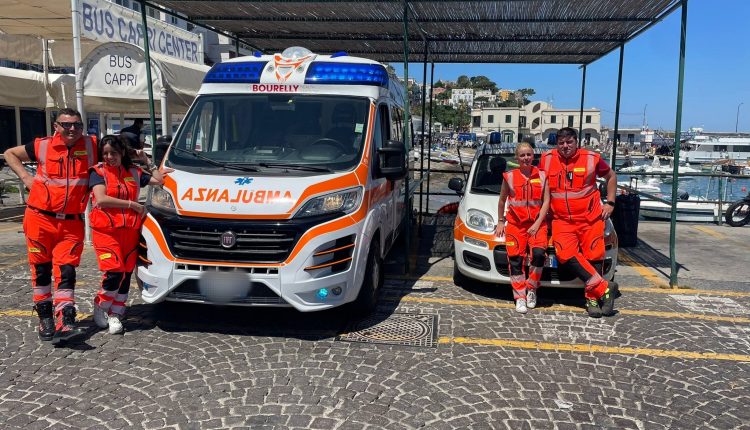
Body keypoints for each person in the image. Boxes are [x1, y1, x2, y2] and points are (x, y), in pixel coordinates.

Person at [3, 108, 97, 344]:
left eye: (77, 125)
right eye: (66, 125)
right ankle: (45, 317)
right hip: (40, 218)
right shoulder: (42, 145)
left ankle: (65, 318)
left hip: (72, 222)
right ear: (56, 126)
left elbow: (122, 154)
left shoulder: (91, 146)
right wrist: (26, 178)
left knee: (66, 271)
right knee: (41, 269)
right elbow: (10, 153)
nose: (72, 129)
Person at [89, 135, 170, 334]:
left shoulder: (133, 172)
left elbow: (158, 180)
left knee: (125, 274)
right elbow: (101, 199)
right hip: (106, 232)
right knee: (114, 272)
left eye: (114, 153)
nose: (109, 157)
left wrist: (147, 161)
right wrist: (132, 204)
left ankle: (116, 313)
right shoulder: (97, 172)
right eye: (105, 153)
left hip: (130, 232)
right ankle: (101, 305)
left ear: (122, 153)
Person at [539, 127, 618, 318]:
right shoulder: (547, 159)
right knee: (565, 255)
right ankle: (605, 288)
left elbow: (611, 176)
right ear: (556, 144)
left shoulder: (592, 158)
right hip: (562, 220)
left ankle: (593, 299)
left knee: (594, 256)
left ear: (577, 142)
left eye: (569, 142)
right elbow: (541, 187)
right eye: (561, 143)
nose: (565, 146)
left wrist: (610, 202)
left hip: (590, 219)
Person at [496, 143, 550, 314]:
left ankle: (532, 289)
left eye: (529, 154)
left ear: (533, 155)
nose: (526, 158)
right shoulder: (509, 176)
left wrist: (536, 223)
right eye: (522, 155)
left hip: (537, 224)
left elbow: (546, 202)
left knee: (539, 255)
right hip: (515, 225)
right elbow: (502, 200)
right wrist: (500, 221)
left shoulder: (542, 175)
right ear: (517, 158)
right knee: (515, 260)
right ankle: (520, 296)